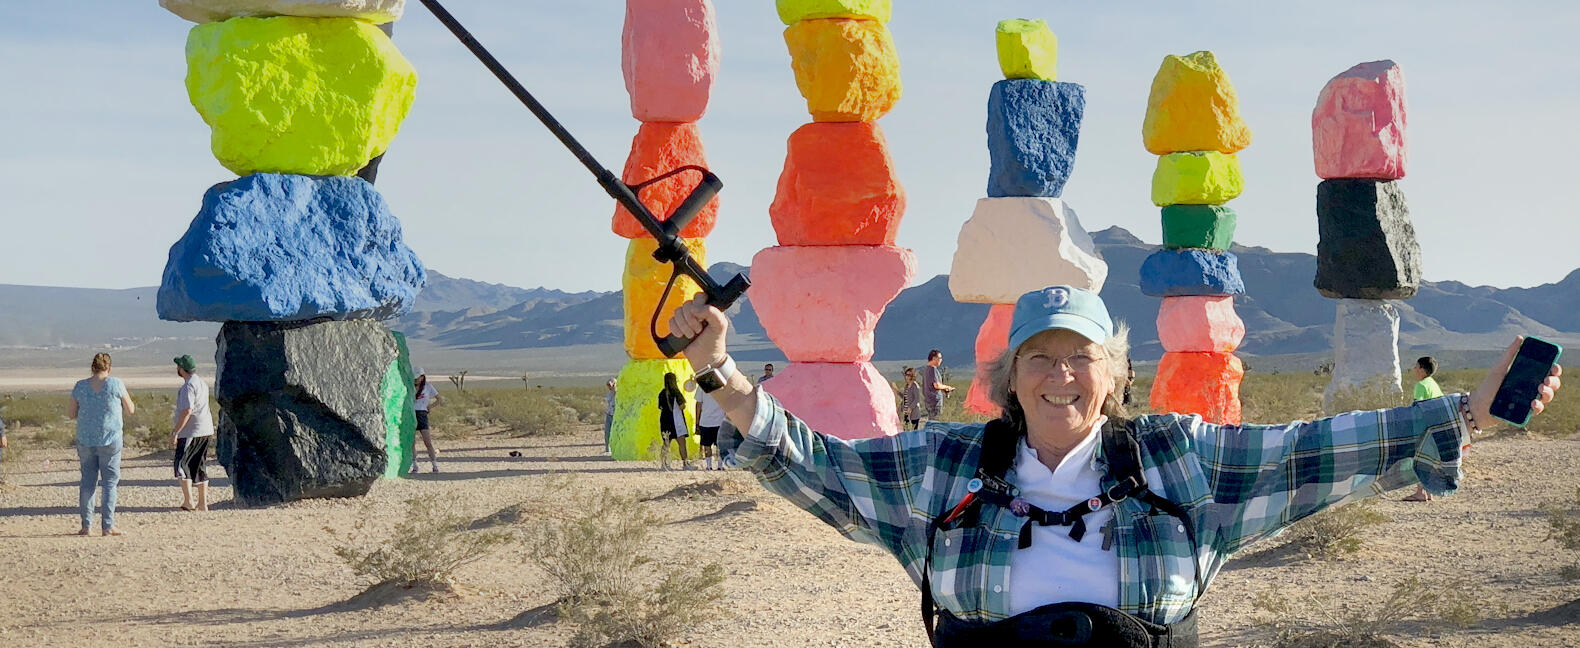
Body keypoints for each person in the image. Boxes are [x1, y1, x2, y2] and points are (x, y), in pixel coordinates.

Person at [666, 285, 1562, 646]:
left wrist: (1473, 413)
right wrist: (719, 370)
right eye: (1040, 358)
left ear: (1118, 372)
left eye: (1082, 357)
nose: (1062, 376)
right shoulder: (943, 469)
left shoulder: (1181, 461)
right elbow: (808, 460)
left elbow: (1314, 452)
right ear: (1007, 378)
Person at [68, 353, 136, 537]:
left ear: (92, 367)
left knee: (88, 482)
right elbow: (130, 409)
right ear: (109, 368)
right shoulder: (115, 384)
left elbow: (71, 413)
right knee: (109, 483)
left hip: (85, 438)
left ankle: (86, 526)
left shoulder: (80, 386)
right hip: (110, 438)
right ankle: (107, 526)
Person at [170, 355, 215, 511]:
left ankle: (189, 500)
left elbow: (187, 410)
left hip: (191, 430)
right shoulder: (202, 383)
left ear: (182, 368)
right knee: (199, 464)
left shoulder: (188, 387)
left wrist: (176, 431)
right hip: (206, 429)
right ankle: (203, 503)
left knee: (182, 465)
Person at [1404, 356, 1447, 502]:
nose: (1414, 369)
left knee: (1418, 459)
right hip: (1437, 426)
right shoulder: (1433, 384)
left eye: (1416, 366)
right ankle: (1427, 491)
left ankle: (1420, 492)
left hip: (1425, 428)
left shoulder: (1421, 385)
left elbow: (1418, 409)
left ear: (1422, 369)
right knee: (1428, 460)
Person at [657, 372, 692, 470]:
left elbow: (660, 407)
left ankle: (664, 464)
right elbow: (682, 406)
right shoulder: (676, 391)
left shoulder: (662, 393)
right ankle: (685, 464)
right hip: (677, 421)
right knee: (682, 443)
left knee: (666, 443)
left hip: (665, 420)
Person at [411, 369, 441, 473]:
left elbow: (439, 399)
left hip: (422, 414)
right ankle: (414, 466)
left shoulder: (428, 387)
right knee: (411, 442)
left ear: (422, 377)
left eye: (417, 377)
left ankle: (434, 465)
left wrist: (430, 407)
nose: (415, 380)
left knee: (427, 442)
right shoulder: (409, 387)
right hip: (411, 414)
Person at [920, 349, 954, 423]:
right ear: (934, 358)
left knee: (932, 421)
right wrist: (947, 387)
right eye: (940, 358)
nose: (941, 360)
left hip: (928, 401)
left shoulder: (926, 370)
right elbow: (936, 385)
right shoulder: (932, 370)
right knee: (936, 423)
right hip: (935, 401)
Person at [696, 388, 726, 470]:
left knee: (707, 445)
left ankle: (709, 466)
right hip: (720, 421)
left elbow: (698, 404)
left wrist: (697, 420)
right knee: (720, 445)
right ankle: (720, 465)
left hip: (705, 421)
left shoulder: (701, 386)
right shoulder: (722, 386)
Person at [901, 367, 924, 431]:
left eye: (909, 375)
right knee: (906, 429)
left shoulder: (915, 386)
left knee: (914, 430)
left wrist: (910, 407)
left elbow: (917, 399)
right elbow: (904, 397)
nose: (907, 377)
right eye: (906, 375)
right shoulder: (906, 386)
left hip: (914, 413)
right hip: (906, 412)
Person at [603, 378, 618, 456]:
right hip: (609, 414)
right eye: (608, 385)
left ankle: (616, 449)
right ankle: (607, 450)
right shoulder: (609, 394)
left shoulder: (618, 393)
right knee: (607, 433)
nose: (609, 387)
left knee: (615, 433)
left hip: (616, 416)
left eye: (610, 385)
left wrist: (615, 389)